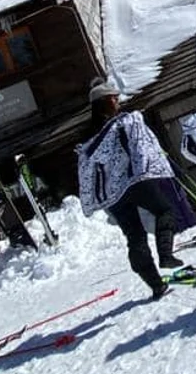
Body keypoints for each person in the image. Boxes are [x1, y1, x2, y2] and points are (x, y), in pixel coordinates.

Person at [76, 81, 184, 299]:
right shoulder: (122, 123)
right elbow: (139, 145)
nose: (117, 102)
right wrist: (150, 166)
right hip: (133, 180)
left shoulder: (86, 136)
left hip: (112, 194)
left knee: (134, 236)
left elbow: (87, 168)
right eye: (114, 98)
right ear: (106, 101)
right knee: (164, 210)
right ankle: (165, 255)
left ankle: (155, 284)